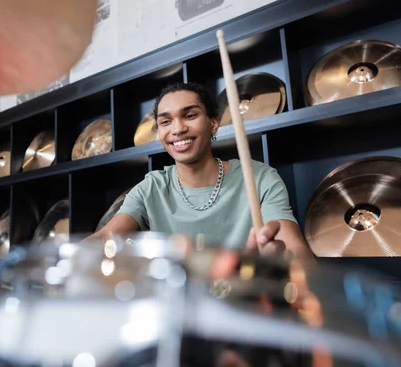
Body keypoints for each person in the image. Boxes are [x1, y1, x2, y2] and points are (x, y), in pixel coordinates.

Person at [91, 82, 312, 259]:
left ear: (213, 124)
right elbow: (104, 237)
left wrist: (281, 259)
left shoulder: (260, 178)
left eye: (190, 116)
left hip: (245, 301)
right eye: (166, 121)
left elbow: (295, 251)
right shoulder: (151, 187)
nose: (178, 129)